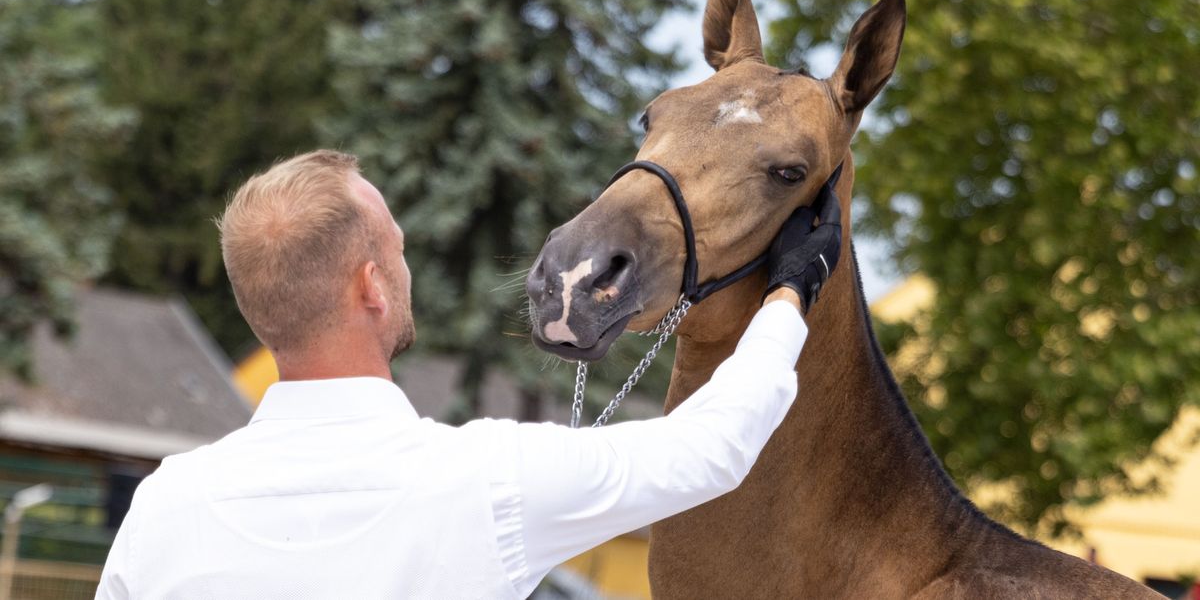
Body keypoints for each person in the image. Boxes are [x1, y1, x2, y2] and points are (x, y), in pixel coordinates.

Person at [95, 149, 840, 599]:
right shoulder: (485, 480)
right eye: (398, 248)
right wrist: (789, 290)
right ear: (371, 287)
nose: (406, 265)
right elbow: (711, 448)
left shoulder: (164, 508)